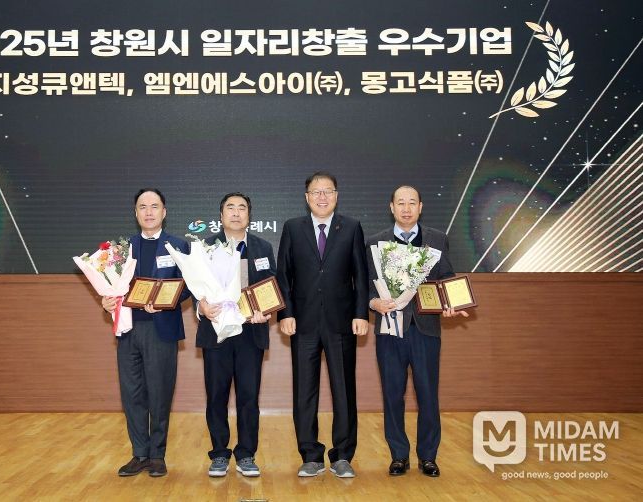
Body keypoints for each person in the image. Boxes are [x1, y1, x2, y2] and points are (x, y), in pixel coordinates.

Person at [366, 185, 468, 478]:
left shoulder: (437, 239)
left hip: (425, 330)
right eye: (401, 203)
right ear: (391, 207)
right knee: (392, 395)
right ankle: (398, 455)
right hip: (389, 329)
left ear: (421, 207)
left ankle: (428, 456)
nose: (406, 208)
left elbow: (446, 278)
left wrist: (450, 303)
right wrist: (373, 303)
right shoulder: (374, 242)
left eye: (412, 203)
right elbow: (363, 285)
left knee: (427, 394)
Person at [276, 172, 369, 478]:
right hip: (303, 323)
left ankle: (342, 455)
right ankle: (311, 455)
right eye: (316, 192)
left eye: (327, 191)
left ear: (336, 196)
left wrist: (361, 314)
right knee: (304, 391)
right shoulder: (292, 228)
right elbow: (283, 276)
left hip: (341, 322)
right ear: (307, 198)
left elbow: (361, 274)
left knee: (344, 390)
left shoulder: (351, 227)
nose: (322, 197)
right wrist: (285, 314)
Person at [102, 188, 190, 478]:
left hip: (161, 329)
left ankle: (157, 455)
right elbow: (111, 286)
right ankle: (139, 453)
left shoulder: (179, 245)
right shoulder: (122, 249)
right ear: (135, 212)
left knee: (160, 393)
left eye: (154, 206)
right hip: (128, 329)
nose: (149, 212)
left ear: (164, 212)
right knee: (132, 393)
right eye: (143, 206)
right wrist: (107, 301)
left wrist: (166, 300)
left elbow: (189, 286)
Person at [196, 193, 277, 478]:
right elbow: (196, 287)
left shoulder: (263, 247)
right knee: (216, 396)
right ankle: (219, 453)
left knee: (248, 397)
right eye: (230, 208)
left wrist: (266, 310)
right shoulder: (205, 247)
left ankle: (246, 454)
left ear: (249, 216)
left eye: (242, 208)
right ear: (221, 216)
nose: (236, 212)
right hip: (216, 331)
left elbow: (270, 285)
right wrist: (201, 307)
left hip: (250, 333)